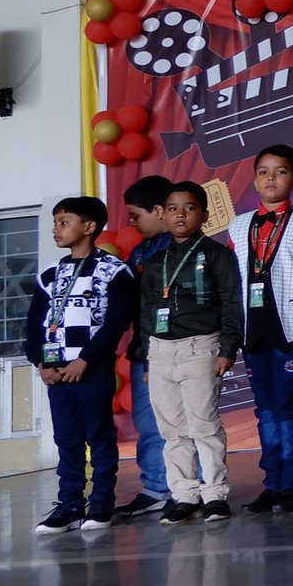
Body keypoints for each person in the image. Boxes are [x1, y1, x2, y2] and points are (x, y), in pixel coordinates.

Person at [28, 197, 136, 533]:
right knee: (67, 437)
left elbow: (116, 322)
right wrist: (41, 362)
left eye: (64, 222)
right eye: (55, 222)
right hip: (56, 370)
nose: (55, 229)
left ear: (89, 227)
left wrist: (86, 359)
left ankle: (101, 502)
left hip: (91, 367)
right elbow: (33, 324)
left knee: (99, 434)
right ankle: (70, 503)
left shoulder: (113, 271)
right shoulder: (50, 274)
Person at [227, 144, 293, 514]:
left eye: (280, 171)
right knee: (265, 410)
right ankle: (273, 484)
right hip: (253, 327)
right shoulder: (238, 225)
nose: (271, 178)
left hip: (291, 326)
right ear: (254, 181)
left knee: (287, 407)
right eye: (263, 172)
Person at [144, 182, 244, 524]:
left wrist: (227, 348)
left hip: (201, 346)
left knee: (203, 424)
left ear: (204, 214)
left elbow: (232, 303)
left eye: (189, 208)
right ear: (163, 214)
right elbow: (145, 311)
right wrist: (146, 356)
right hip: (160, 350)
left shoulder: (218, 255)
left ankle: (215, 495)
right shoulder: (156, 261)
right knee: (172, 429)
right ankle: (184, 496)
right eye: (173, 208)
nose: (180, 215)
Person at [116, 176, 175, 518]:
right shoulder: (138, 252)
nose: (131, 223)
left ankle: (193, 488)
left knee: (183, 423)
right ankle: (155, 488)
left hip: (179, 349)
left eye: (135, 215)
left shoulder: (181, 246)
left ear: (158, 210)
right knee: (148, 423)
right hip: (144, 350)